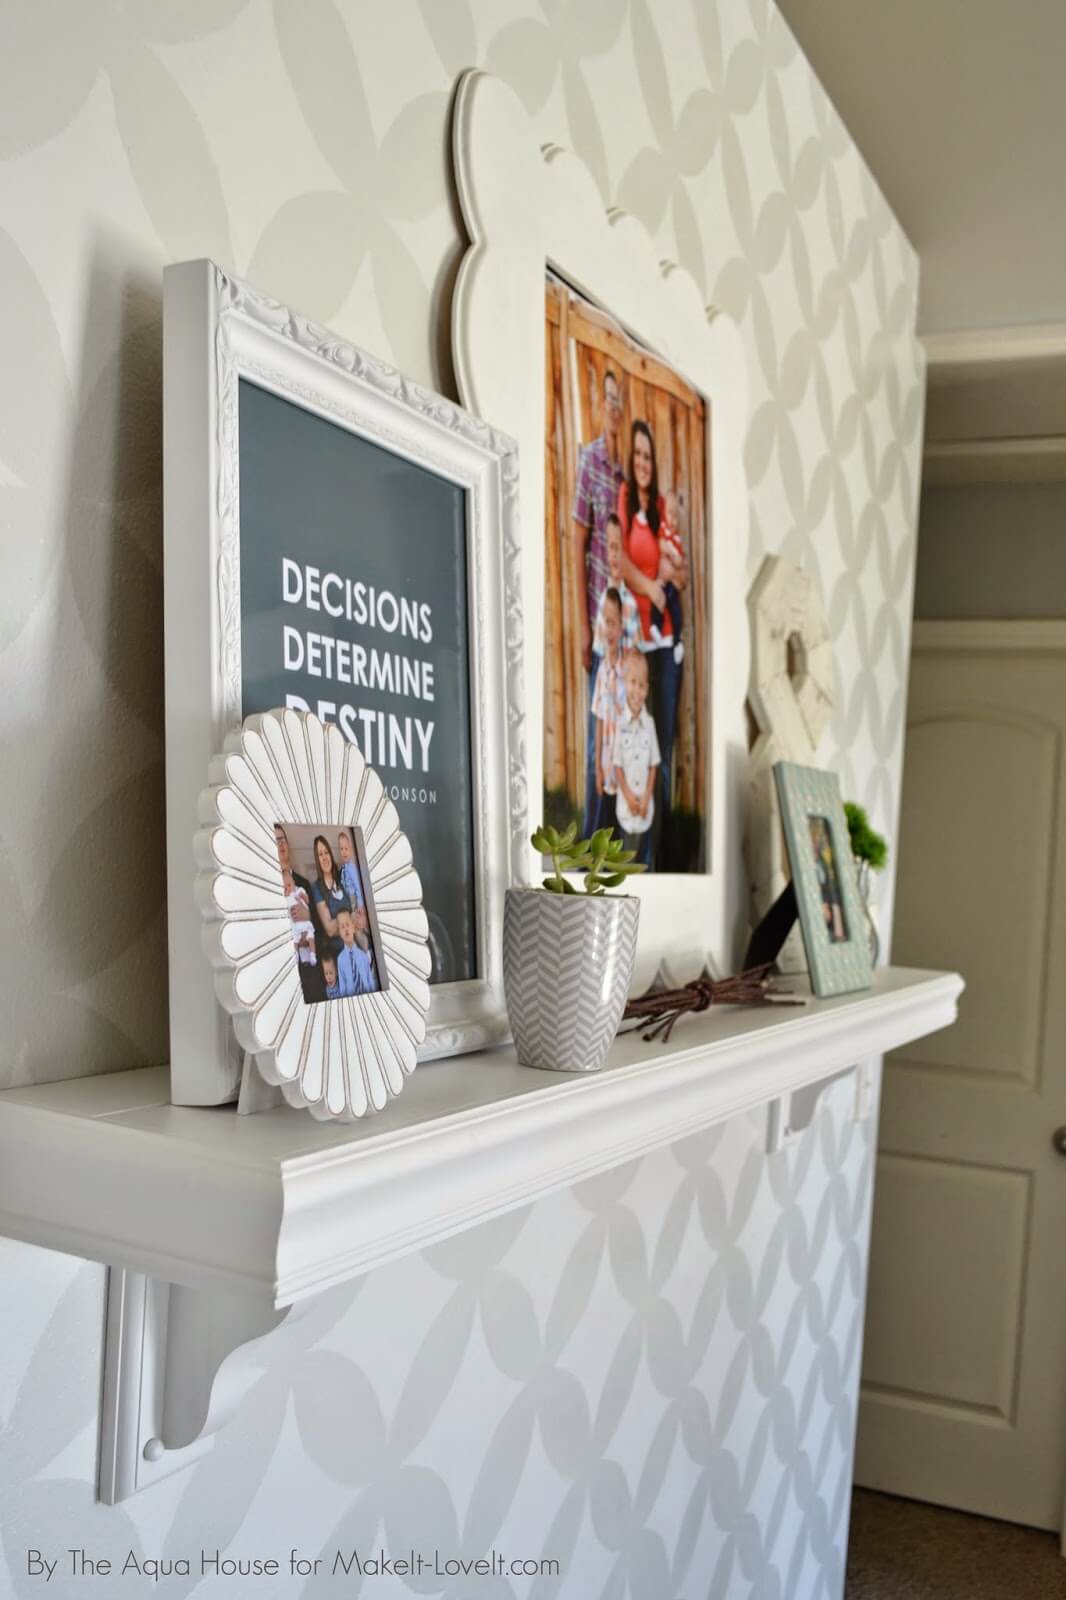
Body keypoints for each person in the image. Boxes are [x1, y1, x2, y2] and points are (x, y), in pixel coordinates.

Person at [616, 420, 687, 867]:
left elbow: (679, 572)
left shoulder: (662, 510)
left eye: (648, 456)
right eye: (637, 455)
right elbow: (620, 561)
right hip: (637, 642)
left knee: (660, 737)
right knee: (628, 738)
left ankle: (655, 850)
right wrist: (652, 587)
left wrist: (668, 580)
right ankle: (629, 841)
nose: (643, 463)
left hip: (664, 643)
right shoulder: (625, 501)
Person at [573, 368, 626, 834]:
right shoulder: (589, 461)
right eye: (608, 399)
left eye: (619, 401)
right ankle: (590, 838)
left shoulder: (626, 477)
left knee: (620, 744)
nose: (613, 408)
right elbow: (579, 540)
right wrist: (581, 624)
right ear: (599, 405)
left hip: (623, 642)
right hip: (596, 626)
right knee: (597, 742)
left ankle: (613, 837)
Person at [612, 650, 660, 867]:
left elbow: (653, 765)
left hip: (645, 804)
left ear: (647, 690)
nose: (637, 690)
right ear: (624, 684)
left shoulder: (649, 724)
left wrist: (647, 796)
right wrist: (630, 797)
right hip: (626, 802)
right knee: (625, 854)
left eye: (642, 685)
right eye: (633, 682)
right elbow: (617, 766)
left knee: (642, 855)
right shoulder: (619, 724)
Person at [591, 587, 627, 834]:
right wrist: (597, 768)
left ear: (622, 627)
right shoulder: (602, 671)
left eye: (614, 623)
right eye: (606, 623)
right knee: (604, 825)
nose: (610, 629)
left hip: (624, 763)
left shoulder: (628, 669)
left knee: (622, 825)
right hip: (606, 762)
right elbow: (600, 718)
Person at [275, 823, 324, 1003]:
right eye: (275, 840)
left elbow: (321, 928)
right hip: (283, 977)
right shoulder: (266, 886)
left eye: (282, 839)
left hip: (311, 974)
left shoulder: (302, 883)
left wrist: (308, 916)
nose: (280, 844)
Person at [590, 514, 641, 660]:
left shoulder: (631, 603)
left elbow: (636, 657)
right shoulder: (603, 601)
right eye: (611, 548)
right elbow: (599, 653)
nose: (614, 554)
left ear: (624, 552)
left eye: (618, 548)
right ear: (605, 552)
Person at [649, 491, 685, 663]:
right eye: (670, 513)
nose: (673, 519)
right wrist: (672, 552)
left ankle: (678, 642)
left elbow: (680, 563)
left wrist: (677, 561)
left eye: (676, 515)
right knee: (658, 601)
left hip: (673, 585)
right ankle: (655, 626)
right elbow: (661, 545)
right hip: (663, 581)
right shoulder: (663, 530)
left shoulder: (677, 537)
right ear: (664, 514)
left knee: (676, 611)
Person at [311, 834, 348, 958]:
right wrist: (350, 919)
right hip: (339, 953)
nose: (325, 857)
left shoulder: (342, 878)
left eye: (326, 852)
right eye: (320, 854)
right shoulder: (317, 888)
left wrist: (339, 922)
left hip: (355, 945)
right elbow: (330, 930)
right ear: (317, 860)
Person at [335, 904, 378, 996]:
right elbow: (343, 987)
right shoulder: (340, 959)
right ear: (339, 933)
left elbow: (370, 981)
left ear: (353, 927)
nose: (346, 929)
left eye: (347, 925)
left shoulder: (363, 955)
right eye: (342, 927)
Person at [282, 866, 317, 968]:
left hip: (305, 923)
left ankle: (312, 954)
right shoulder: (284, 896)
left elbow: (308, 901)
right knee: (295, 939)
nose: (288, 889)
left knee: (310, 936)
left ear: (293, 882)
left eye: (289, 885)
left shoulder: (299, 889)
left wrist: (307, 912)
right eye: (285, 887)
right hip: (293, 927)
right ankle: (296, 955)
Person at [336, 828, 364, 911]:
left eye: (346, 849)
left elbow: (358, 887)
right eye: (341, 849)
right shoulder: (343, 868)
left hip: (352, 897)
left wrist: (360, 905)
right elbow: (343, 881)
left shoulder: (352, 868)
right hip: (346, 896)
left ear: (350, 850)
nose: (344, 852)